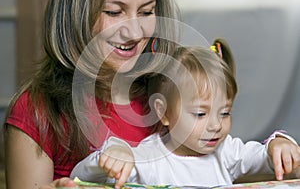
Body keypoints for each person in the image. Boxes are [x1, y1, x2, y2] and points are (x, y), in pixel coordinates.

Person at [3, 0, 179, 188]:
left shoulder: (169, 97)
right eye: (114, 12)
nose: (136, 33)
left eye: (147, 12)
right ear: (75, 15)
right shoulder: (37, 111)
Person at [70, 39, 300, 188]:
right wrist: (110, 156)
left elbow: (267, 159)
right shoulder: (149, 159)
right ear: (163, 112)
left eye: (225, 113)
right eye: (200, 114)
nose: (216, 126)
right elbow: (77, 177)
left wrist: (279, 144)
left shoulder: (226, 151)